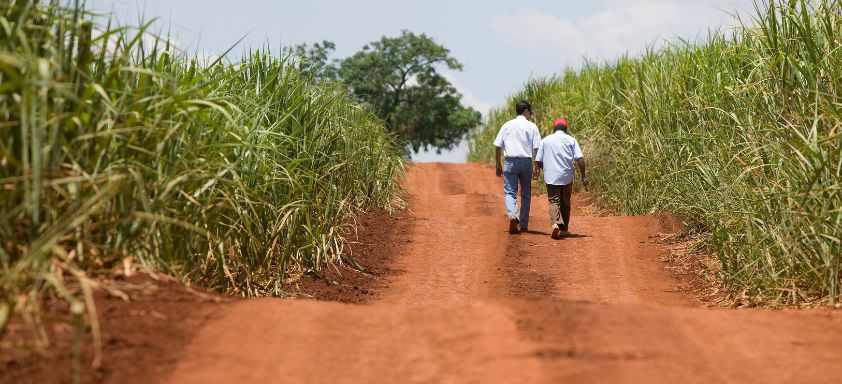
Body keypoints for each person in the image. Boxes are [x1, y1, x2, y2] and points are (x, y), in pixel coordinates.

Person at [494, 100, 542, 234]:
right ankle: (524, 224)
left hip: (510, 162)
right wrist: (537, 165)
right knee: (526, 193)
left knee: (510, 192)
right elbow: (536, 148)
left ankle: (513, 216)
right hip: (526, 162)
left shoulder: (507, 125)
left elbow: (498, 146)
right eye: (530, 112)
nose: (530, 114)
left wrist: (498, 164)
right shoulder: (532, 126)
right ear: (526, 111)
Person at [535, 117, 587, 239]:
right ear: (566, 128)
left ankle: (555, 224)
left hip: (551, 177)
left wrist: (542, 170)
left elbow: (538, 160)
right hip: (566, 176)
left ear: (554, 128)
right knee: (565, 202)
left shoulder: (546, 140)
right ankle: (563, 229)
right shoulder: (571, 140)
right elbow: (580, 159)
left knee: (554, 201)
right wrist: (583, 176)